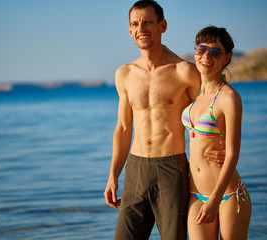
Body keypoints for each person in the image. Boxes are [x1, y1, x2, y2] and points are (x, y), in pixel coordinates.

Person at [104, 1, 226, 239]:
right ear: (130, 30)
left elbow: (214, 111)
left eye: (148, 22)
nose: (142, 28)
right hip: (135, 168)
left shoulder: (185, 71)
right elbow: (123, 127)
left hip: (171, 168)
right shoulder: (124, 74)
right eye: (135, 24)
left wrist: (224, 147)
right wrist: (112, 175)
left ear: (163, 26)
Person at [182, 26, 252, 240]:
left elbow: (232, 153)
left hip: (228, 195)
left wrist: (215, 200)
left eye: (215, 52)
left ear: (226, 58)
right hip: (196, 194)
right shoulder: (195, 94)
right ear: (195, 52)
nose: (206, 56)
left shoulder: (229, 98)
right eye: (201, 49)